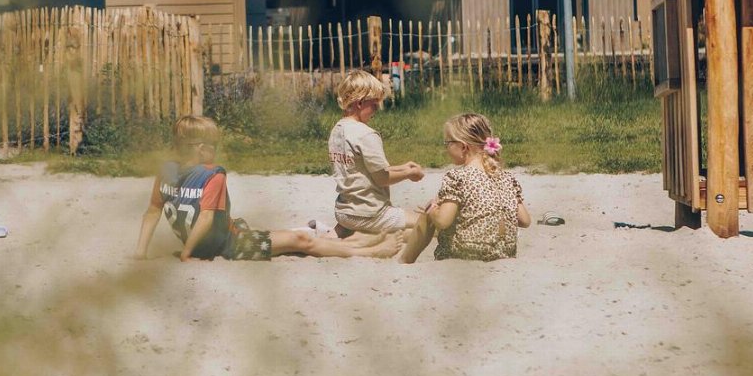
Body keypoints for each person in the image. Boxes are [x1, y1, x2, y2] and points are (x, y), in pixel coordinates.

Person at [134, 115, 401, 261]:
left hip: (213, 241)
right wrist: (186, 254)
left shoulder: (166, 171)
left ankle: (358, 241)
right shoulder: (213, 175)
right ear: (201, 148)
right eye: (213, 145)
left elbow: (152, 211)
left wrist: (141, 252)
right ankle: (370, 251)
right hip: (228, 245)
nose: (216, 150)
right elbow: (204, 218)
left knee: (291, 239)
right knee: (300, 242)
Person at [418, 112, 530, 262]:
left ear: (463, 147)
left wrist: (432, 209)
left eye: (448, 143)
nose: (446, 148)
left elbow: (443, 221)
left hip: (465, 255)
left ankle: (405, 260)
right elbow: (525, 221)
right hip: (504, 254)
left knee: (431, 214)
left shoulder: (457, 177)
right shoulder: (507, 178)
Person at [328, 70, 427, 236]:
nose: (377, 108)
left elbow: (363, 169)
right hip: (371, 214)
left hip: (344, 212)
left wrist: (402, 167)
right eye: (374, 103)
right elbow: (382, 179)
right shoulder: (366, 134)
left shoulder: (337, 130)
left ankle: (336, 234)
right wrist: (409, 174)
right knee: (426, 223)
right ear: (360, 103)